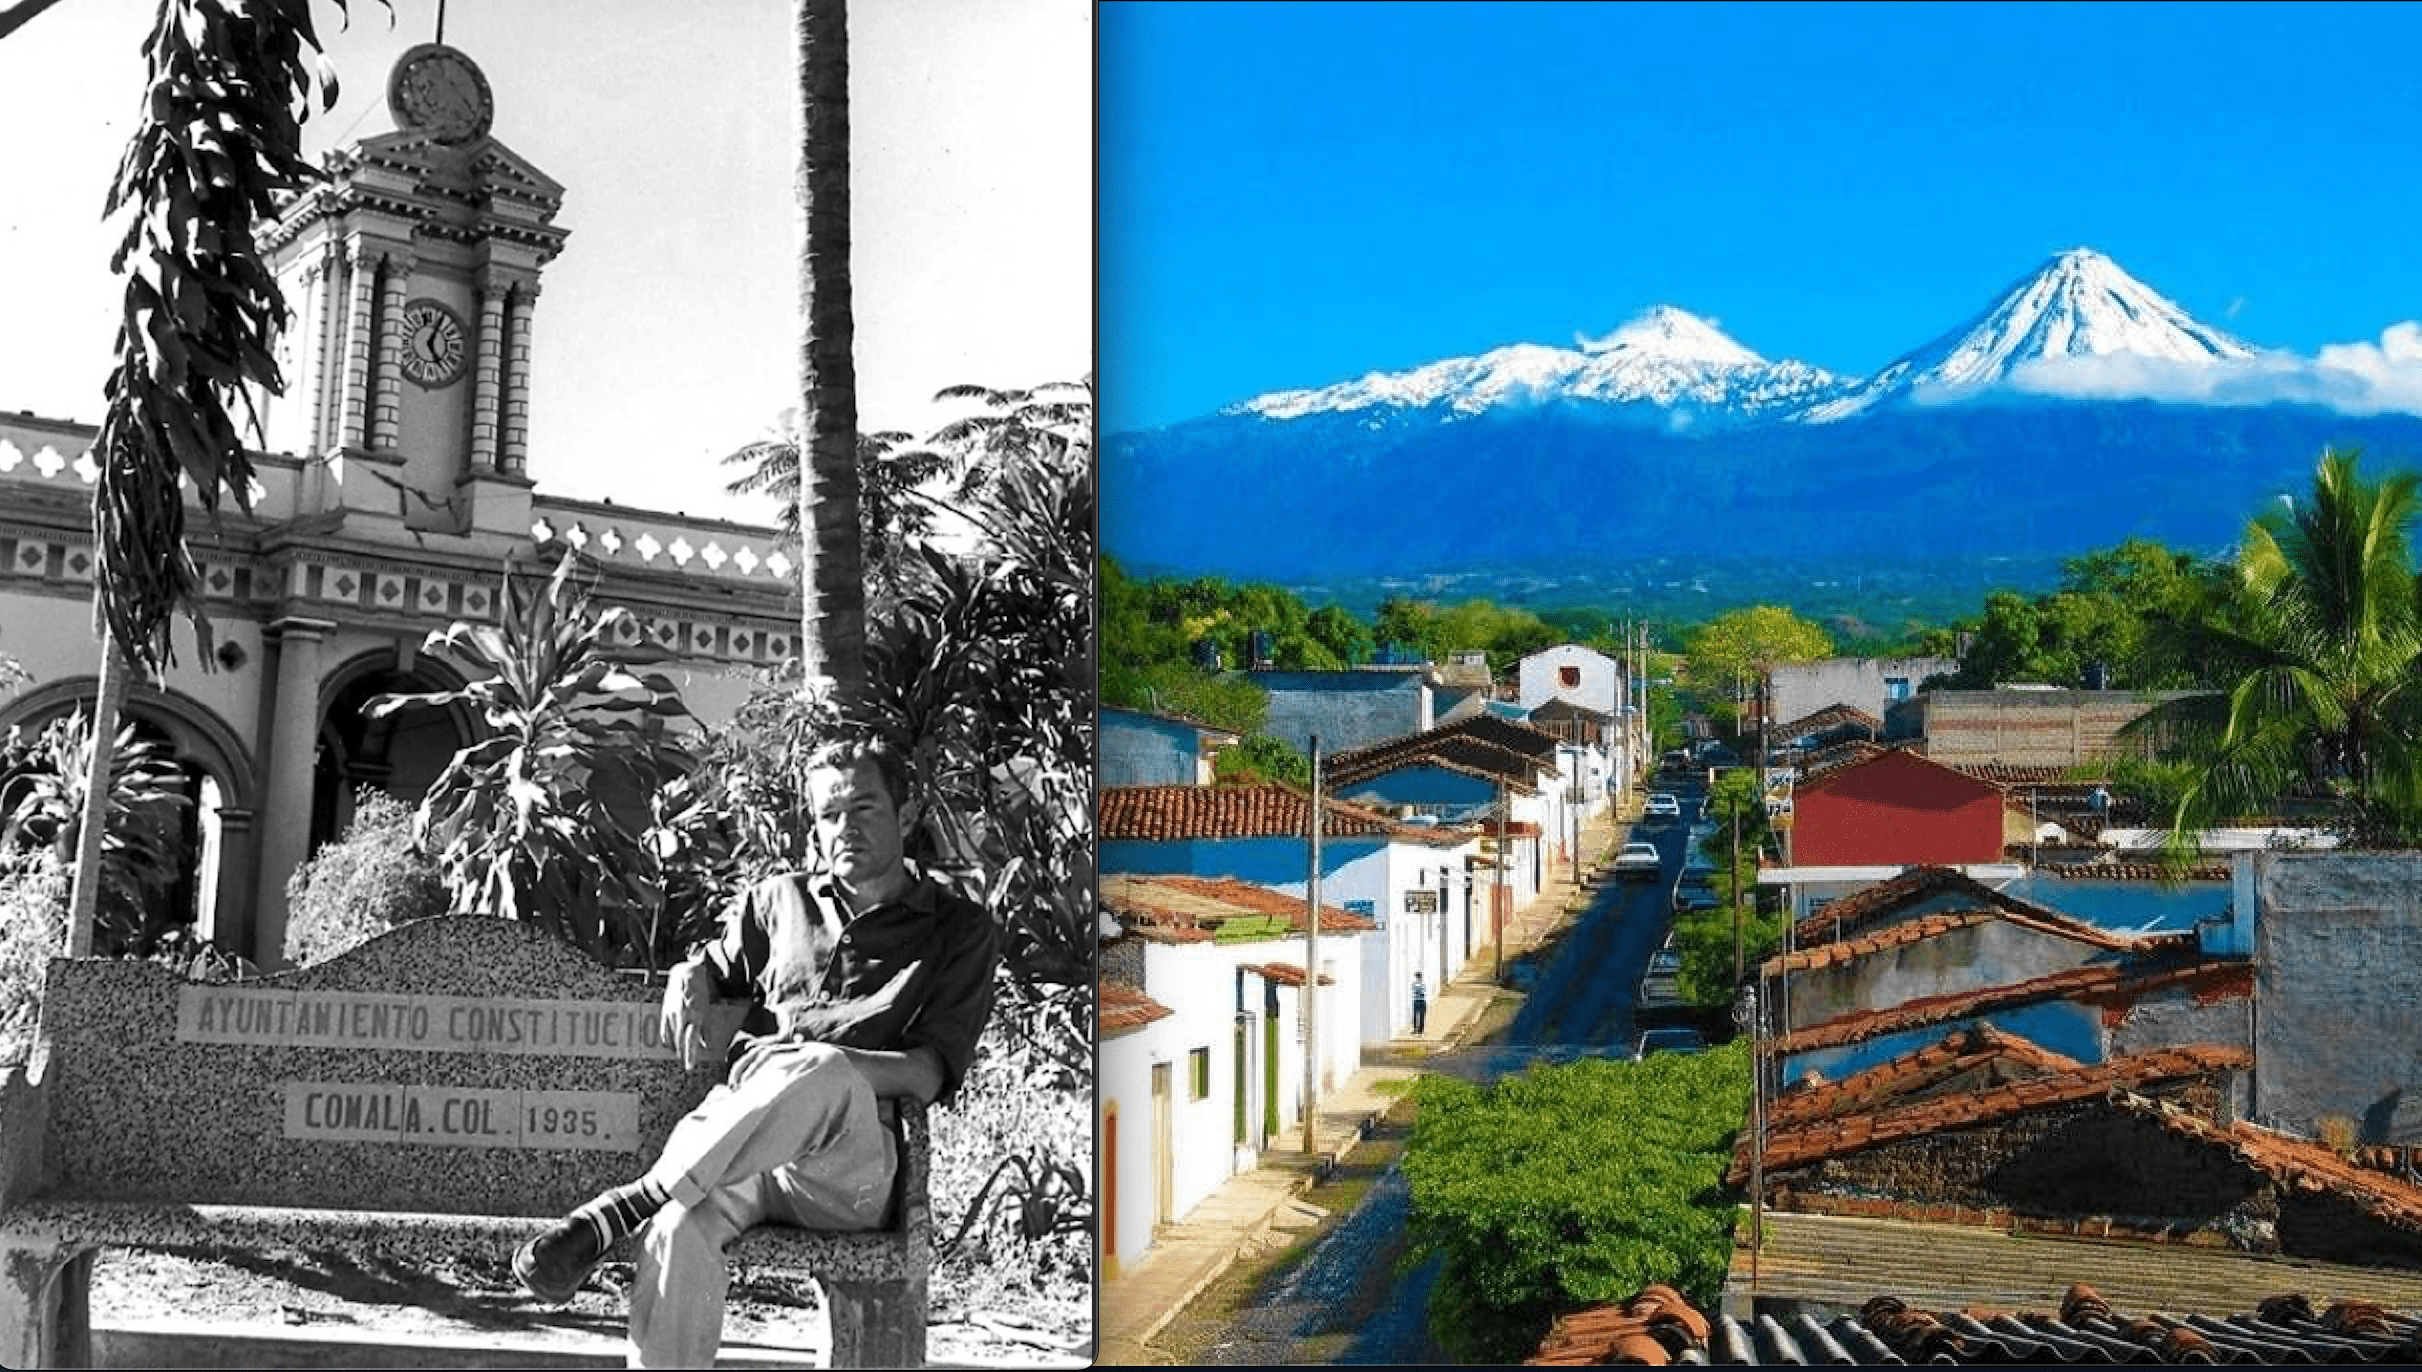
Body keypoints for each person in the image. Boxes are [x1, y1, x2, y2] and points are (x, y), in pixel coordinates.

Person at [511, 730, 1001, 1369]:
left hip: (850, 1165)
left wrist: (822, 1066)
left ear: (906, 814)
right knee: (679, 1230)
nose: (843, 827)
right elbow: (717, 967)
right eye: (829, 815)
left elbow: (929, 1073)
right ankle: (651, 1209)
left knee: (821, 1066)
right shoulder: (778, 903)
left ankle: (626, 1203)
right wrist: (692, 970)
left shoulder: (958, 929)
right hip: (745, 1155)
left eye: (864, 809)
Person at [1410, 971, 1428, 1035]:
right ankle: (1420, 1030)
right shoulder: (1423, 984)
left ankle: (1416, 1029)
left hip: (1416, 1000)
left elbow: (1414, 990)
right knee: (1421, 1016)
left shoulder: (1414, 984)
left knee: (1415, 1015)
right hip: (1422, 1000)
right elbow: (1423, 992)